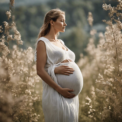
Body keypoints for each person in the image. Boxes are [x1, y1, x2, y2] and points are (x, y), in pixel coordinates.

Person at [34, 8, 83, 122]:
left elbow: (59, 61)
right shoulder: (43, 42)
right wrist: (59, 87)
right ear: (52, 22)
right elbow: (40, 70)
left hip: (70, 97)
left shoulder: (61, 42)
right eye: (62, 21)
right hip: (55, 93)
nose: (65, 24)